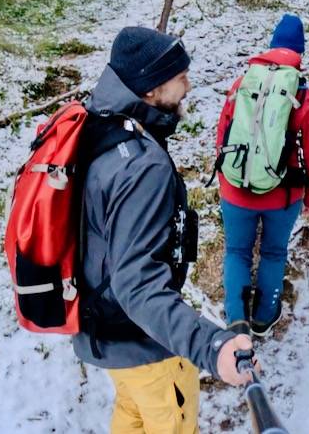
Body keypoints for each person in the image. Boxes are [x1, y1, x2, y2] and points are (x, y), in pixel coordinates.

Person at [74, 26, 254, 434]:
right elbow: (137, 285)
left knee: (134, 413)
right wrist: (212, 346)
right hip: (139, 340)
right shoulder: (140, 165)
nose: (189, 85)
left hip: (101, 325)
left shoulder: (100, 123)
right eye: (180, 76)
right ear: (151, 89)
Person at [214, 13, 309, 337]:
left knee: (237, 251)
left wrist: (227, 179)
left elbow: (223, 134)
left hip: (236, 191)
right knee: (274, 252)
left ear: (271, 47)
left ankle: (236, 319)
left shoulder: (244, 82)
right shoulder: (303, 94)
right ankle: (265, 316)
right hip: (283, 195)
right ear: (299, 55)